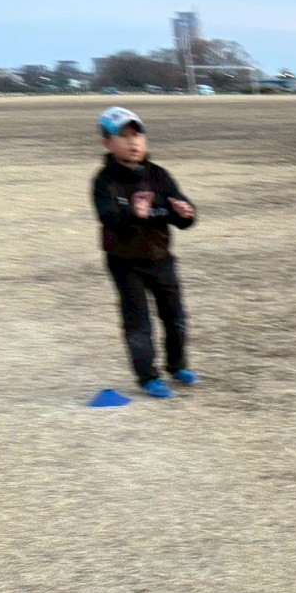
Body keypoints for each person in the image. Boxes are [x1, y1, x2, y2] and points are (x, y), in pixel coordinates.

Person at [91, 106, 199, 399]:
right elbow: (109, 218)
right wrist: (133, 214)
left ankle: (178, 366)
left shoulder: (159, 176)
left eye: (137, 135)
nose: (133, 142)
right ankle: (148, 378)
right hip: (125, 263)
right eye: (124, 136)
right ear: (108, 143)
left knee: (175, 317)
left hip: (161, 259)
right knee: (138, 323)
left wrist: (186, 213)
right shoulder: (104, 181)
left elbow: (180, 216)